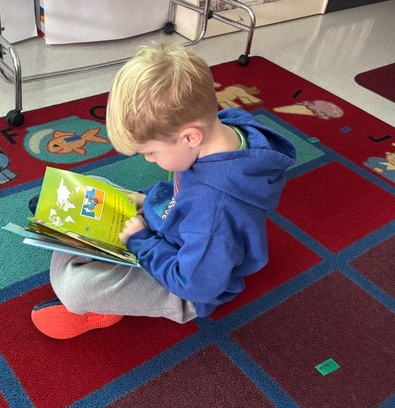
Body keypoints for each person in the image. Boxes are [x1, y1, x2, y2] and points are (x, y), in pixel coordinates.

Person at [30, 43, 296, 339]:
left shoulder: (214, 212)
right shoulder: (222, 131)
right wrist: (149, 199)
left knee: (74, 287)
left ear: (190, 137)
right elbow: (184, 188)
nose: (149, 160)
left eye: (151, 153)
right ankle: (75, 226)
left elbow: (194, 283)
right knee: (91, 186)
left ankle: (97, 302)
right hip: (179, 228)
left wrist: (142, 243)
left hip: (188, 285)